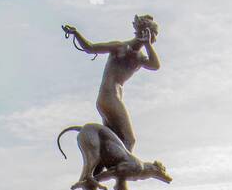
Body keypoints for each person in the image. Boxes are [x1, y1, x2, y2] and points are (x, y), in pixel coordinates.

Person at [61, 15, 160, 151]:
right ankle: (124, 164)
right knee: (129, 140)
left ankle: (103, 164)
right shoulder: (120, 47)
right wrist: (76, 33)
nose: (155, 38)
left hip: (112, 98)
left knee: (112, 141)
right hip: (109, 97)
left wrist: (147, 44)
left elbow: (155, 65)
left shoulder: (140, 57)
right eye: (154, 33)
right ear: (145, 31)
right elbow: (90, 47)